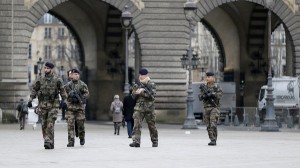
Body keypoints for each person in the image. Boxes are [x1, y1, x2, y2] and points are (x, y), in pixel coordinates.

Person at [28, 62, 67, 149]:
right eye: (45, 68)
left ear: (52, 69)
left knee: (50, 123)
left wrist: (64, 101)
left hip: (53, 105)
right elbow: (34, 89)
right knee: (44, 125)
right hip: (43, 105)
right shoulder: (40, 79)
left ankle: (48, 141)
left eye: (47, 68)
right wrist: (30, 100)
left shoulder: (57, 79)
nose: (45, 69)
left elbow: (62, 91)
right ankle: (50, 141)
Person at [129, 68, 158, 148]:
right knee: (136, 125)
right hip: (139, 108)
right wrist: (136, 92)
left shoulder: (151, 84)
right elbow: (133, 97)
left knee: (151, 125)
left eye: (143, 75)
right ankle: (136, 141)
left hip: (149, 108)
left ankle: (154, 140)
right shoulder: (137, 84)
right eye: (141, 75)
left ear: (147, 75)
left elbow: (152, 96)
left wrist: (143, 91)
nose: (141, 77)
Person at [64, 68, 89, 147]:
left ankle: (82, 137)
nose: (77, 76)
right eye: (75, 74)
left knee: (80, 123)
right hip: (70, 108)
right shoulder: (68, 85)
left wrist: (81, 97)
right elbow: (63, 94)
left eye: (78, 74)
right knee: (70, 124)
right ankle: (71, 141)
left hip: (79, 108)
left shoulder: (82, 84)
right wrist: (69, 97)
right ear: (72, 75)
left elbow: (87, 93)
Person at [198, 72, 223, 146]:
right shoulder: (204, 87)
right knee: (208, 125)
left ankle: (213, 139)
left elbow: (220, 95)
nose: (207, 78)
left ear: (213, 78)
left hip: (214, 107)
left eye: (209, 77)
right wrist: (204, 96)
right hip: (206, 108)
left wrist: (212, 94)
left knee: (213, 123)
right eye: (207, 77)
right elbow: (200, 97)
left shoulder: (216, 86)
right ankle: (211, 138)